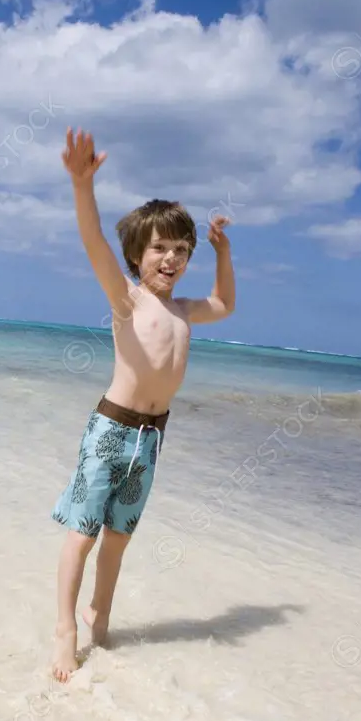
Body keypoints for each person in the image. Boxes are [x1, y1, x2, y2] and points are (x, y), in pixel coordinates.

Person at [51, 127, 236, 682]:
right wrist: (83, 186)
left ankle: (100, 614)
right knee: (83, 534)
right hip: (110, 430)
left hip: (152, 438)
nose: (172, 258)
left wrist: (223, 251)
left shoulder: (184, 309)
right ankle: (65, 630)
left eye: (182, 250)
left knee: (120, 539)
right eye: (160, 248)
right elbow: (93, 243)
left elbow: (225, 304)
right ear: (138, 254)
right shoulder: (127, 300)